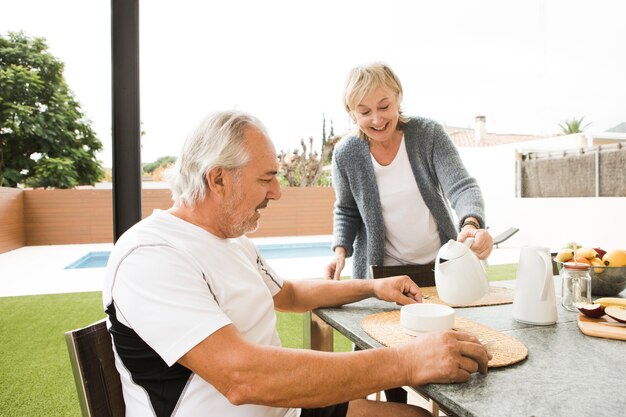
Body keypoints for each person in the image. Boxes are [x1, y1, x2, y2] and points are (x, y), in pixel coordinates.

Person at [103, 110, 491, 417]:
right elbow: (242, 377)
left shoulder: (230, 239)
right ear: (218, 179)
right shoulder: (152, 257)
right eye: (266, 179)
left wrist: (372, 287)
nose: (277, 192)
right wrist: (407, 361)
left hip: (285, 408)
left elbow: (287, 293)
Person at [325, 62, 494, 403]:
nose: (376, 119)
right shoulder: (346, 154)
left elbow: (461, 186)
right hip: (385, 275)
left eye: (384, 106)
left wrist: (472, 225)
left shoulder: (427, 135)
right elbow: (346, 209)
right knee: (389, 361)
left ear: (399, 97)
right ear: (350, 113)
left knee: (452, 350)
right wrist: (340, 250)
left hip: (438, 269)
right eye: (364, 111)